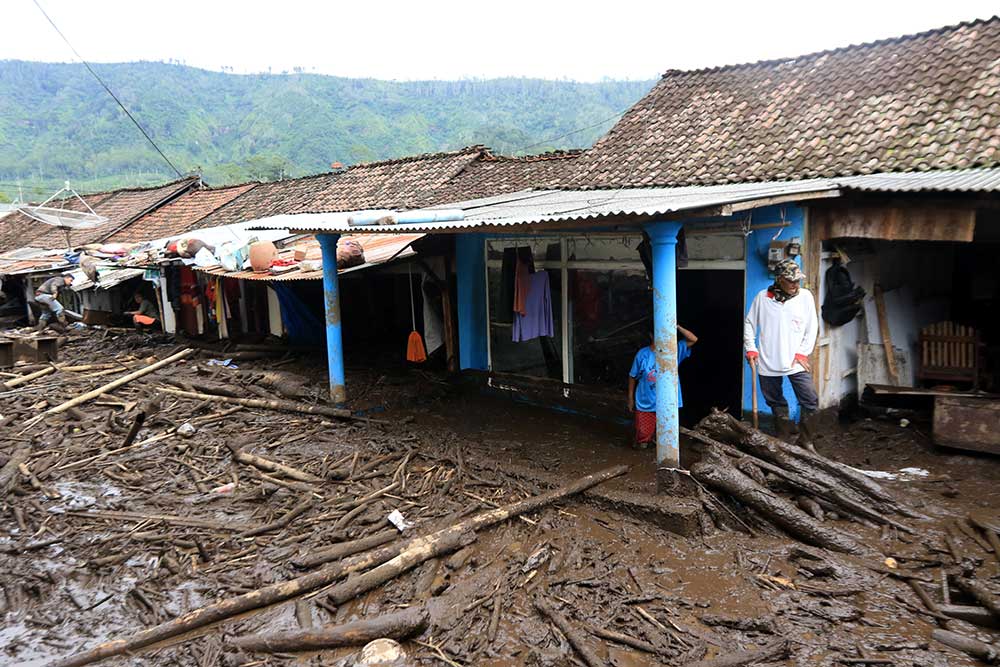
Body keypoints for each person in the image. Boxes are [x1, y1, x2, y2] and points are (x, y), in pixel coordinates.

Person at [744, 258, 819, 437]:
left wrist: (803, 352)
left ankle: (806, 441)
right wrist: (751, 348)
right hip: (767, 359)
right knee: (775, 401)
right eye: (790, 280)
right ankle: (783, 438)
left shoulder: (805, 297)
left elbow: (812, 326)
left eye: (797, 280)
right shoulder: (763, 298)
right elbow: (749, 324)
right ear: (779, 279)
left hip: (795, 359)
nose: (795, 284)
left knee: (810, 400)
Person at [627, 325, 698, 448]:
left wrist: (676, 326)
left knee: (667, 439)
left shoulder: (672, 350)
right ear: (651, 336)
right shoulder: (643, 354)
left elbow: (693, 339)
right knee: (643, 437)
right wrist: (630, 398)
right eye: (657, 333)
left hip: (668, 403)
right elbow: (632, 376)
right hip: (646, 402)